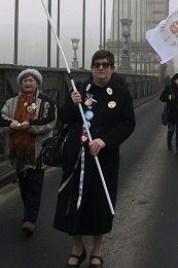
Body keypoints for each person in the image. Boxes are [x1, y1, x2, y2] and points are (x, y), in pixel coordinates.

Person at [54, 50, 136, 268]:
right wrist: (72, 104)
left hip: (104, 157)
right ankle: (77, 248)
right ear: (92, 68)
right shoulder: (80, 89)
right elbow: (63, 117)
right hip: (77, 156)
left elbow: (128, 124)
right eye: (97, 64)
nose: (101, 68)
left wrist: (105, 140)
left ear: (112, 68)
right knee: (73, 202)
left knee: (99, 204)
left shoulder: (120, 93)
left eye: (106, 64)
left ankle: (97, 249)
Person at [0, 68, 56, 236]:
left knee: (35, 186)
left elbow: (50, 121)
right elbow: (1, 118)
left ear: (37, 83)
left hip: (37, 152)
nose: (28, 83)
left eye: (31, 80)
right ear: (21, 83)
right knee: (24, 185)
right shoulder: (11, 102)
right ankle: (29, 213)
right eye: (25, 80)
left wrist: (30, 126)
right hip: (18, 152)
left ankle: (30, 220)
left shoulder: (46, 102)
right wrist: (11, 124)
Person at [160, 73, 178, 155]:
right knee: (171, 130)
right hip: (171, 113)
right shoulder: (169, 88)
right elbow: (161, 98)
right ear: (174, 80)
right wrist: (169, 97)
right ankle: (169, 142)